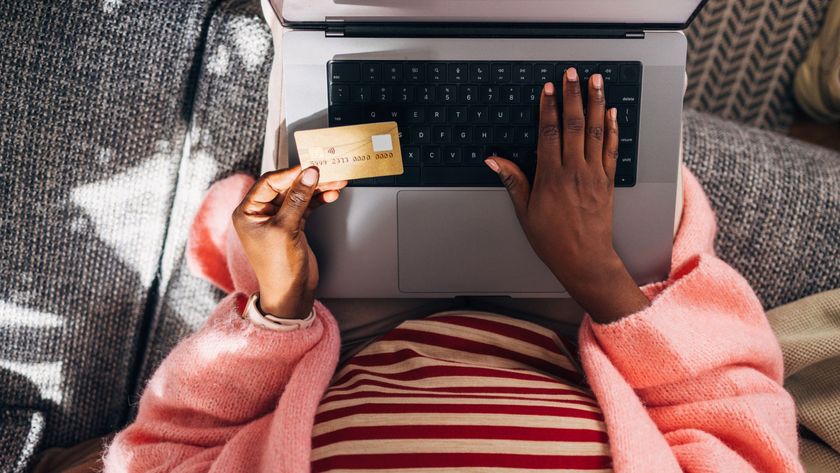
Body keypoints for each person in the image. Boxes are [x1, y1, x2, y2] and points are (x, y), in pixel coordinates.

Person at [102, 69, 803, 472]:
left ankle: (230, 246)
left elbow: (163, 449)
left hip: (344, 330)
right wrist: (599, 276)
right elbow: (744, 428)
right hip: (583, 318)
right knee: (644, 185)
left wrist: (278, 308)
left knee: (257, 219)